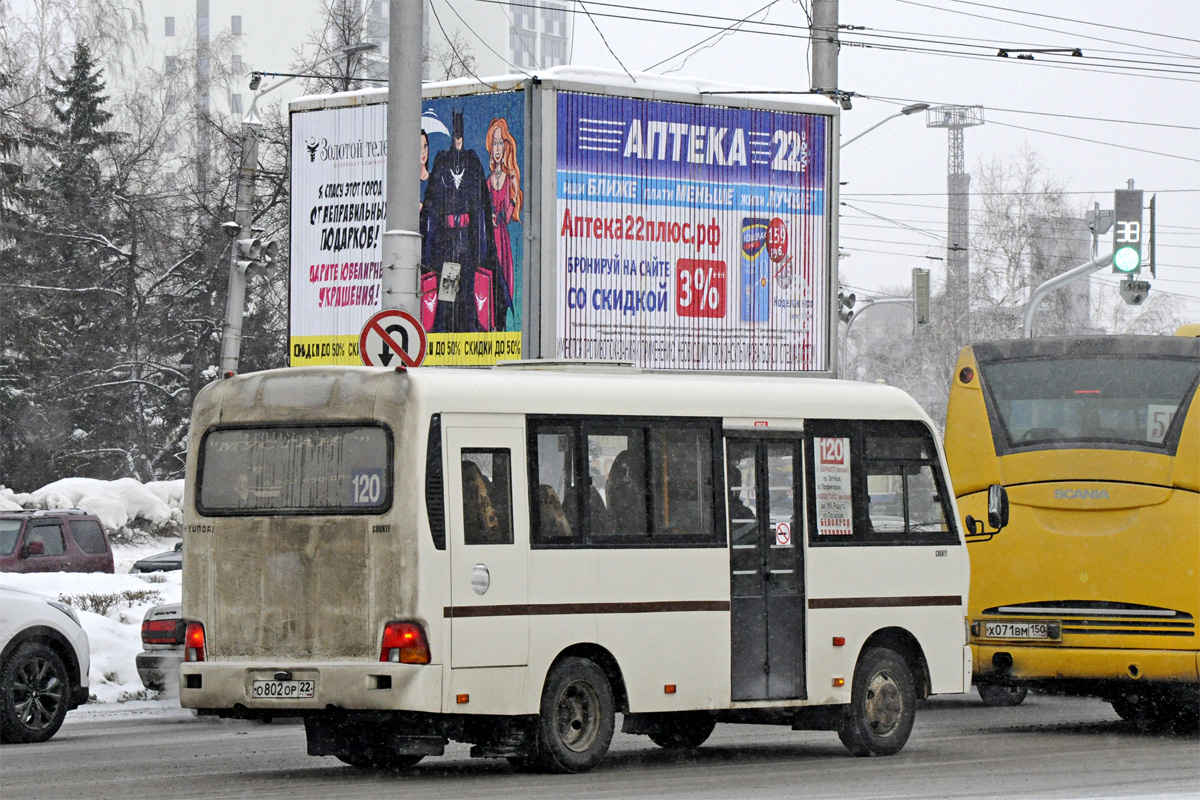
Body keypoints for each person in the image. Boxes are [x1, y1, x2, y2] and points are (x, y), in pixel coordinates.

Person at [419, 110, 497, 333]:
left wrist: (480, 243)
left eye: (461, 136)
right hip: (449, 238)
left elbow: (481, 203)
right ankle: (444, 330)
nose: (458, 140)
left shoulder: (472, 163)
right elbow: (432, 202)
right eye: (456, 136)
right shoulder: (442, 162)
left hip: (466, 239)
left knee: (468, 290)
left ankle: (469, 331)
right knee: (448, 289)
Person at [485, 117, 522, 331]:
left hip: (502, 239)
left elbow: (508, 216)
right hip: (491, 238)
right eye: (494, 143)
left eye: (501, 143)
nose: (497, 148)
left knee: (504, 282)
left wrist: (514, 196)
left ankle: (502, 322)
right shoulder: (489, 180)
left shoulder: (509, 179)